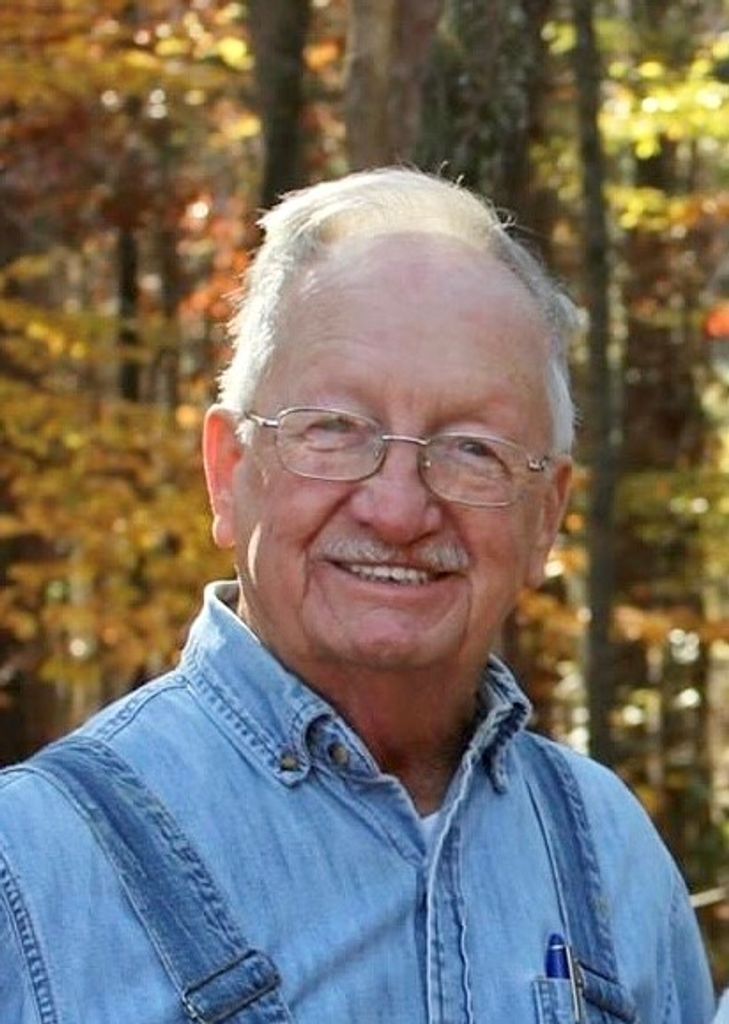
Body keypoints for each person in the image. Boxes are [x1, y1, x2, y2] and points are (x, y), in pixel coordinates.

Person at [0, 169, 716, 1023]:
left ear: (545, 517)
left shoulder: (607, 854)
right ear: (227, 474)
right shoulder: (35, 867)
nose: (398, 509)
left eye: (473, 448)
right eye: (334, 430)